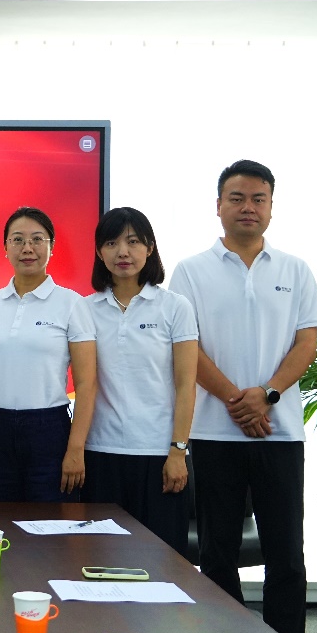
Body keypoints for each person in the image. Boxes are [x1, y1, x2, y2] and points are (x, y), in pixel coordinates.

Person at [169, 160, 317, 633]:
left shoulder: (295, 270)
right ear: (218, 206)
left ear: (272, 207)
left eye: (259, 199)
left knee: (287, 553)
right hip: (214, 433)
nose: (248, 207)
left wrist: (268, 395)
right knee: (217, 553)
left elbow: (306, 343)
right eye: (237, 198)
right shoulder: (190, 271)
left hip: (281, 433)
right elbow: (188, 348)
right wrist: (238, 401)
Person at [81, 207, 198, 556]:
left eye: (133, 242)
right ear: (99, 252)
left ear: (149, 248)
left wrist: (178, 451)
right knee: (101, 559)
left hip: (158, 454)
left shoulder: (174, 307)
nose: (123, 252)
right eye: (112, 243)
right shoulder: (84, 309)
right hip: (100, 453)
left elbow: (186, 384)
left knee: (162, 562)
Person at [0, 207, 97, 502]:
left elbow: (86, 384)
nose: (27, 248)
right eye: (18, 240)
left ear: (51, 247)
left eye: (37, 239)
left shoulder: (71, 304)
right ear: (6, 247)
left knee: (52, 523)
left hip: (49, 431)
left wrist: (76, 448)